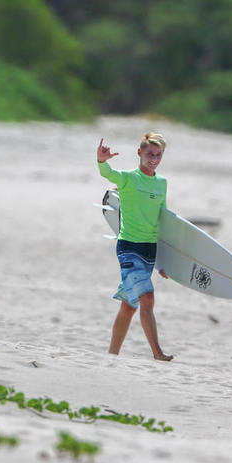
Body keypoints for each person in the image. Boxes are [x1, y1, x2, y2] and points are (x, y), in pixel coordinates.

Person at [96, 132, 173, 361]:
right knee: (147, 298)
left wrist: (164, 262)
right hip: (129, 247)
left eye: (158, 155)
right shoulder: (128, 179)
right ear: (140, 153)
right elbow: (108, 173)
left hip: (149, 251)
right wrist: (102, 160)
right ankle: (157, 353)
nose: (154, 158)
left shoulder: (161, 183)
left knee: (129, 306)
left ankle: (112, 355)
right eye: (150, 154)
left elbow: (164, 221)